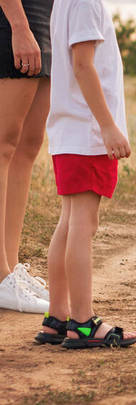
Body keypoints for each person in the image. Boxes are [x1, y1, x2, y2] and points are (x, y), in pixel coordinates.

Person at [34, 0, 136, 348]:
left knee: (68, 221)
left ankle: (57, 317)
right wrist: (108, 126)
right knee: (83, 225)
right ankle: (83, 321)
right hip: (88, 134)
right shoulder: (85, 1)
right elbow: (82, 66)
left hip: (70, 133)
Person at [0, 0, 52, 313]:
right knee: (3, 145)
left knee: (28, 146)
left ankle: (11, 265)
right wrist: (19, 26)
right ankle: (0, 273)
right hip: (15, 14)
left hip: (47, 17)